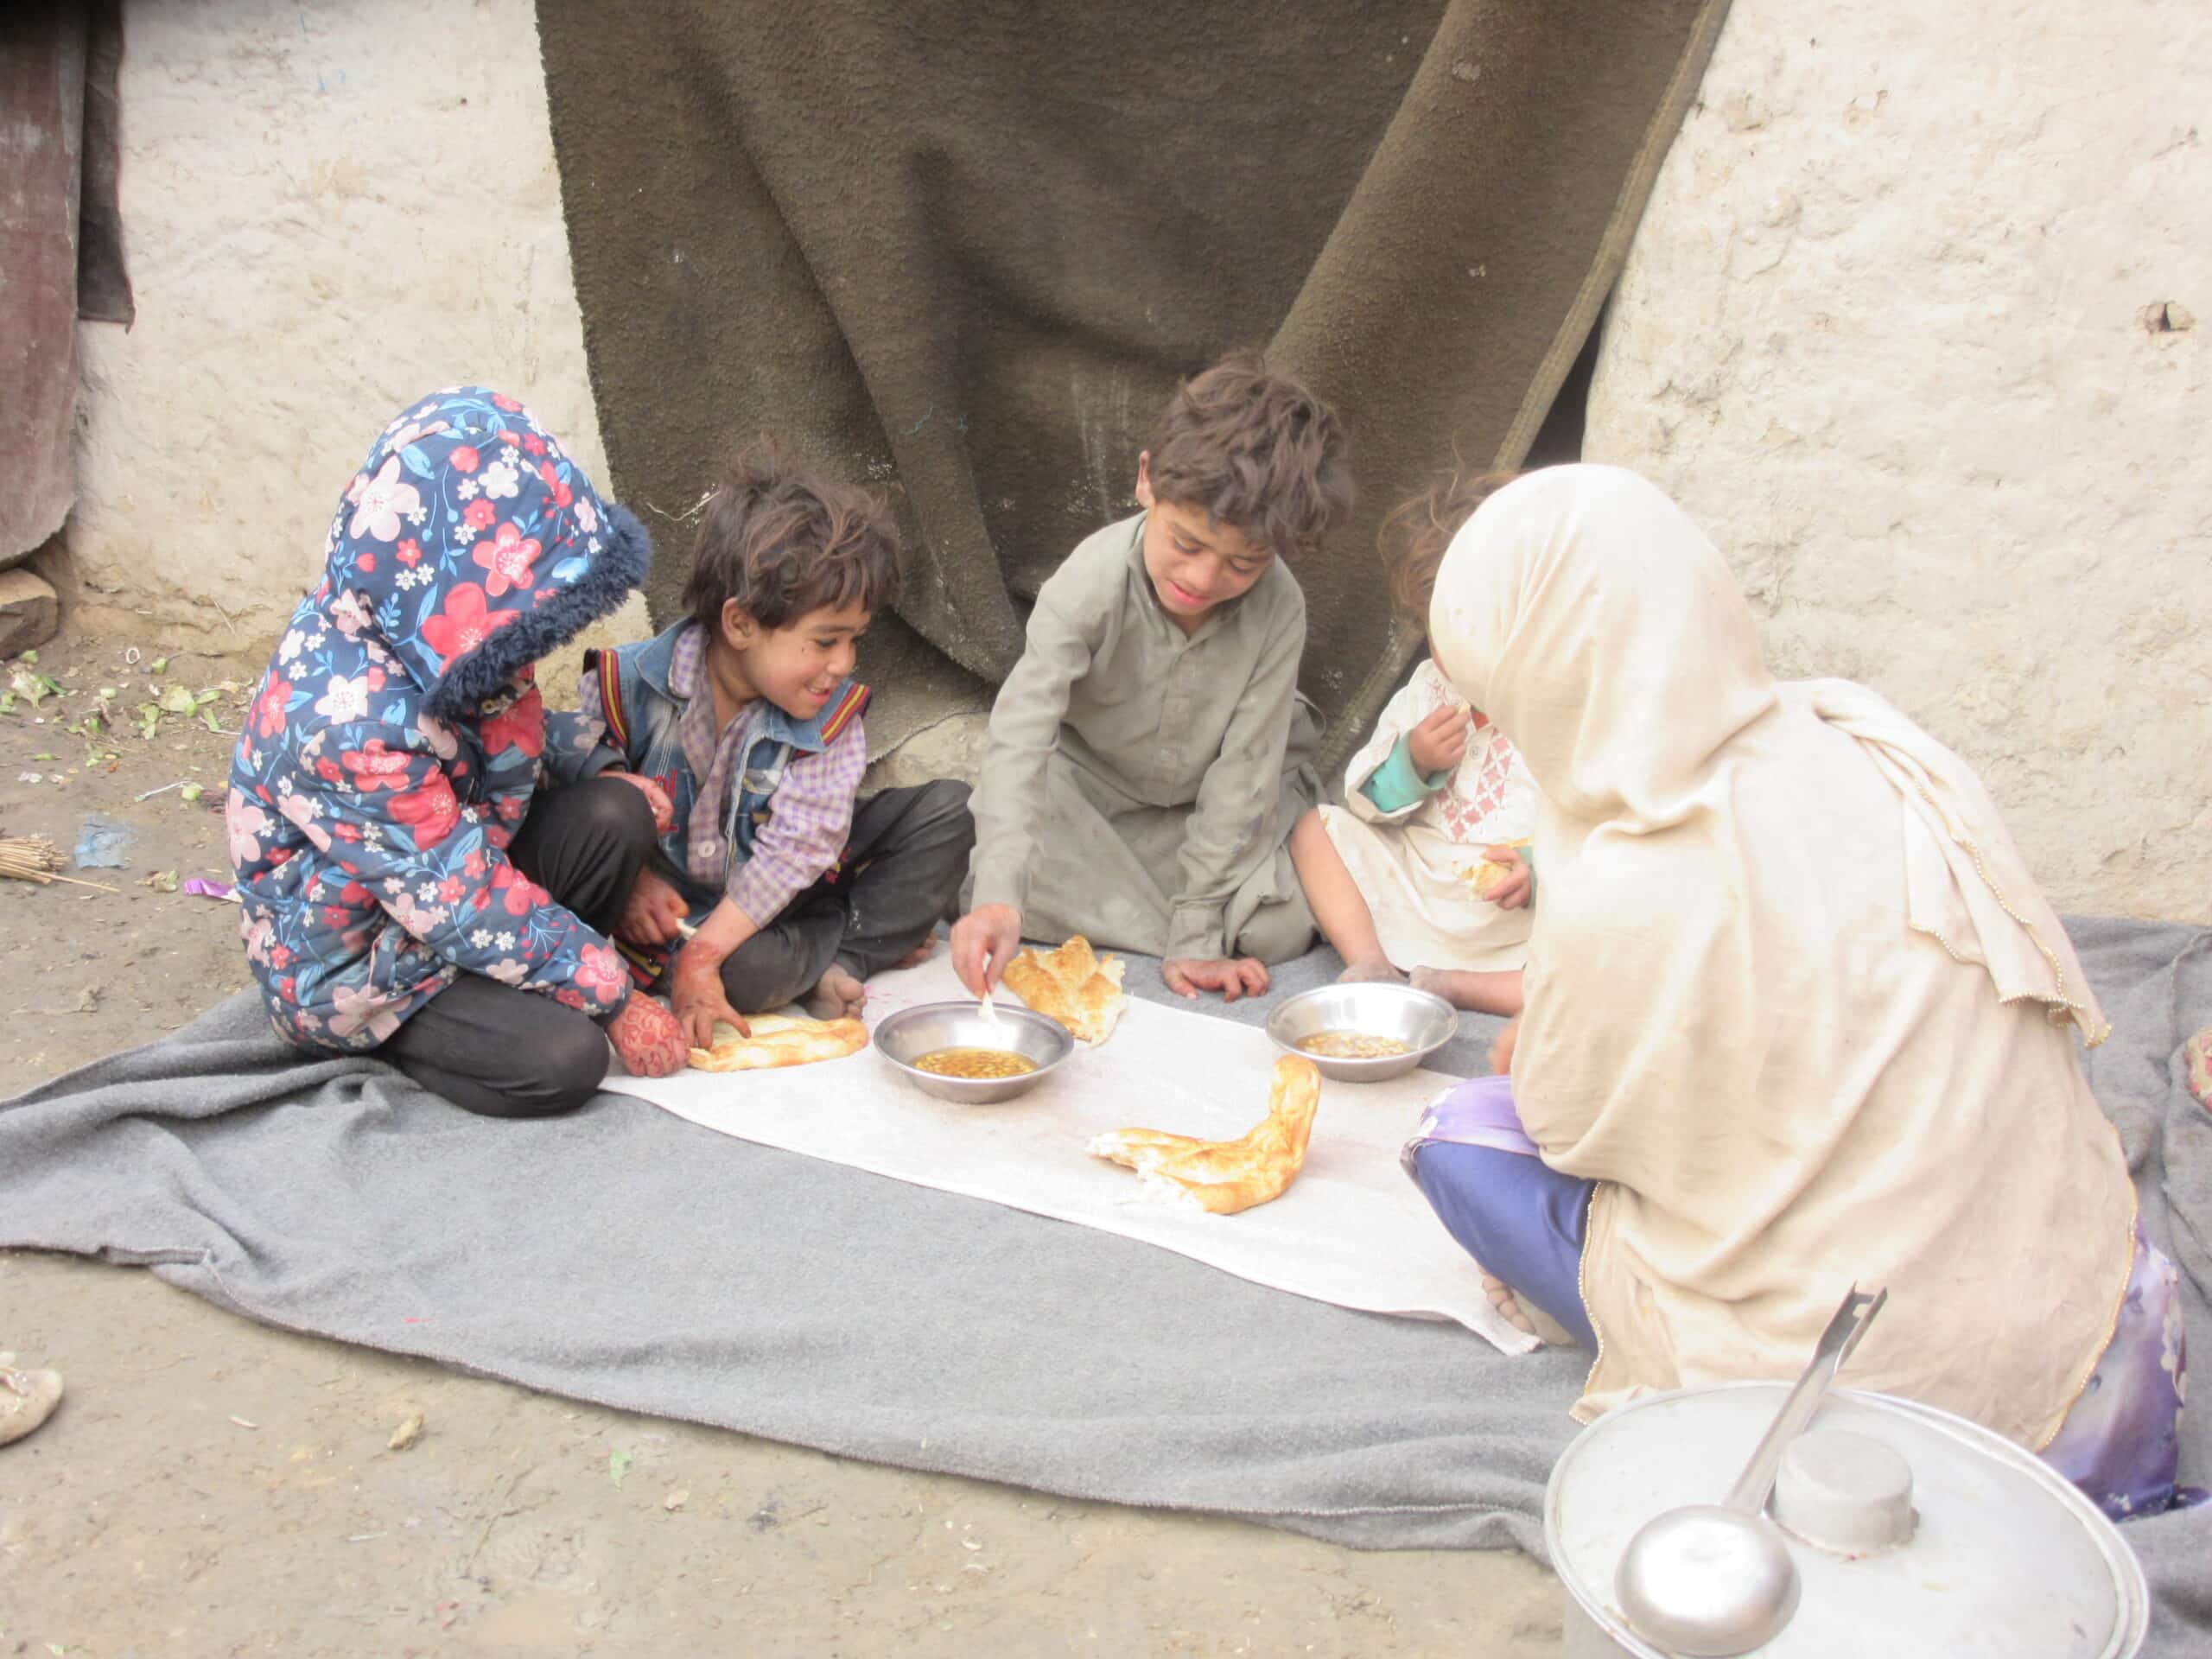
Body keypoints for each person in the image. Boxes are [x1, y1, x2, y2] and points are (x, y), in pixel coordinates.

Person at [1401, 464, 2181, 1519]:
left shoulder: (1620, 886)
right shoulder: (1864, 733)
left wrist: (1548, 1041)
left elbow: (1569, 1131)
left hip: (1875, 1428)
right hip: (2106, 1326)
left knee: (1459, 1137)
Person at [228, 385, 693, 1116]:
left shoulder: (446, 627)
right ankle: (434, 1030)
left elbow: (507, 741)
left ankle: (535, 974)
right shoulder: (347, 725)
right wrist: (612, 995)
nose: (540, 648)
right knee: (564, 1061)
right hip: (365, 967)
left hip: (456, 881)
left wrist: (601, 768)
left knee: (614, 813)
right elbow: (458, 898)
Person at [950, 353, 1351, 1003]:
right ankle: (1128, 912)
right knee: (997, 886)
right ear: (1147, 481)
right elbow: (1023, 738)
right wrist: (999, 896)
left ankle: (1178, 917)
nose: (1201, 579)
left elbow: (1246, 772)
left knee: (1278, 929)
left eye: (1242, 565)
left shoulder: (1280, 607)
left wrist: (1196, 935)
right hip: (1089, 803)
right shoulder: (1090, 582)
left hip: (1205, 813)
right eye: (1187, 544)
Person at [544, 442, 974, 1044]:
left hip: (784, 889)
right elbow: (579, 808)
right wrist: (634, 883)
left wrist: (704, 959)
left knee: (951, 809)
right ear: (741, 622)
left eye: (855, 641)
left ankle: (843, 955)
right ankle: (831, 950)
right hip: (681, 918)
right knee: (747, 973)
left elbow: (797, 852)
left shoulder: (832, 720)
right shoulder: (625, 684)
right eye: (826, 642)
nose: (844, 664)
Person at [1288, 473, 1538, 1016]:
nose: (1463, 656)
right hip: (1421, 882)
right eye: (1445, 636)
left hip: (1512, 919)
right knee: (1315, 828)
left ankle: (1458, 987)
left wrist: (1535, 867)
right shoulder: (1428, 687)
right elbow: (1368, 801)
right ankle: (1372, 962)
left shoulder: (1559, 705)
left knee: (1607, 952)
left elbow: (1594, 826)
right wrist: (1413, 763)